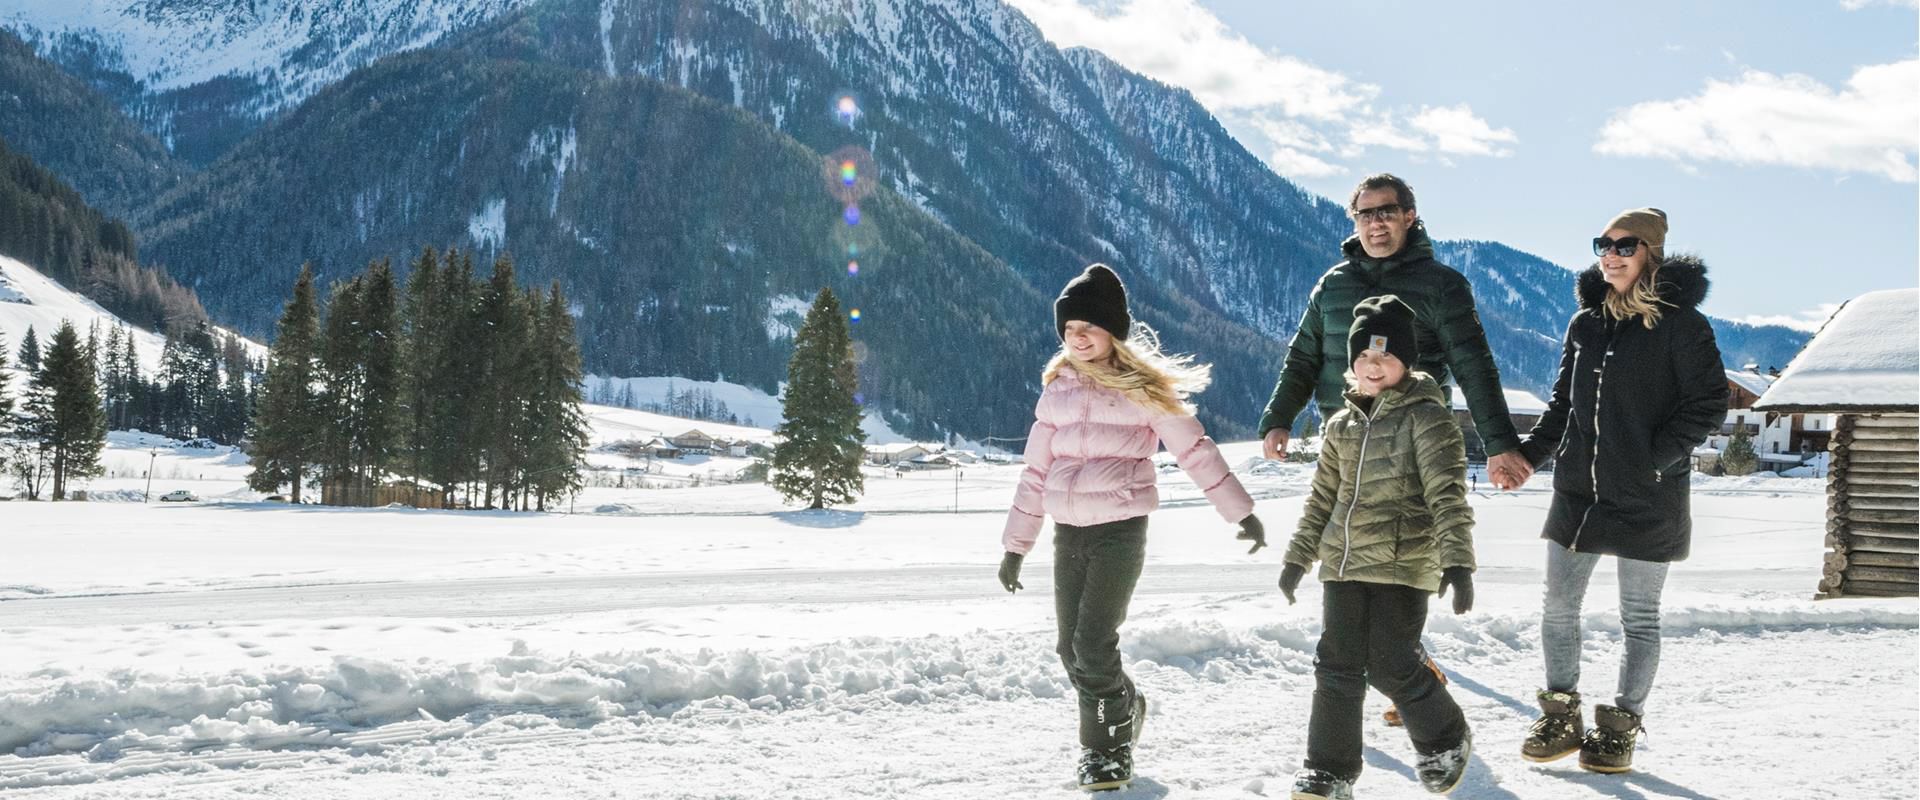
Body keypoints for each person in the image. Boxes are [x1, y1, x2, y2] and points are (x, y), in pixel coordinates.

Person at [1258, 173, 1525, 725]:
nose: (1376, 222)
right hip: (1347, 440)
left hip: (1411, 445)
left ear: (1410, 215)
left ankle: (1402, 671)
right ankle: (1395, 674)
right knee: (1349, 555)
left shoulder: (1440, 285)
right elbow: (1304, 356)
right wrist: (1278, 417)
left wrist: (1500, 445)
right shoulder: (1331, 285)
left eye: (1387, 211)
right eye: (1365, 213)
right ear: (1354, 220)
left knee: (1401, 556)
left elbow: (1476, 366)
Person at [997, 264, 1267, 792]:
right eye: (1069, 326)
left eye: (1089, 326)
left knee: (1093, 645)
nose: (1077, 334)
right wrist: (1015, 548)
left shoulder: (1142, 390)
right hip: (1068, 531)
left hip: (1120, 529)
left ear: (1112, 332)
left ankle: (1105, 749)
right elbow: (1035, 473)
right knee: (1068, 649)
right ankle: (1125, 707)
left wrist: (1240, 510)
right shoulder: (1056, 393)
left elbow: (1194, 449)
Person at [1511, 208, 1727, 774]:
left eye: (1623, 245)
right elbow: (1562, 408)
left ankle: (1620, 728)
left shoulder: (1683, 324)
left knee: (1639, 618)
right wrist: (1527, 457)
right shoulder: (1586, 322)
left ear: (1649, 252)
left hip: (1649, 494)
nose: (1609, 255)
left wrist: (1652, 460)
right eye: (1602, 244)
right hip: (1579, 491)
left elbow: (1707, 403)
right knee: (1559, 605)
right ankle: (1560, 714)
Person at [1279, 295, 1477, 800]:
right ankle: (1329, 770)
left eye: (1385, 357)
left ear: (1406, 363)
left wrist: (1457, 560)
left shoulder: (1426, 418)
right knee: (1337, 665)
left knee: (1391, 661)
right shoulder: (1340, 426)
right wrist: (1298, 556)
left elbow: (1447, 495)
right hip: (1343, 564)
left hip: (1405, 563)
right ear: (1352, 364)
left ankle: (1445, 737)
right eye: (1364, 356)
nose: (1373, 366)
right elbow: (1322, 497)